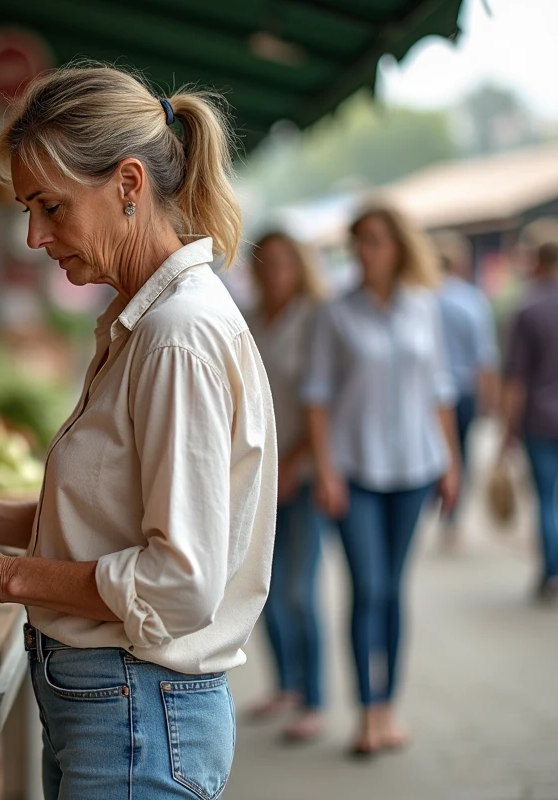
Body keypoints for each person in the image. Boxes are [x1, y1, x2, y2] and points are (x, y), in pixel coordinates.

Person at [0, 64, 277, 799]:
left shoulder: (176, 337)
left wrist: (2, 575)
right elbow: (118, 518)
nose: (34, 235)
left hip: (137, 713)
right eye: (28, 209)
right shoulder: (145, 321)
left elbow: (180, 583)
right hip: (119, 708)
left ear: (127, 184)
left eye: (51, 207)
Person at [303, 205, 461, 757]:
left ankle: (390, 706)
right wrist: (325, 471)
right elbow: (317, 398)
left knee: (394, 591)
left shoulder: (425, 308)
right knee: (367, 588)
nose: (364, 251)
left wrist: (452, 464)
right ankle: (367, 712)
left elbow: (440, 390)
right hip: (355, 472)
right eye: (358, 241)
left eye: (374, 240)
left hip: (416, 469)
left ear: (398, 246)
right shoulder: (335, 313)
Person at [244, 232, 328, 742]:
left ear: (299, 266)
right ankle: (286, 687)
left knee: (300, 590)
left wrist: (294, 463)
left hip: (301, 473)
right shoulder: (249, 319)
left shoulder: (316, 318)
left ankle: (314, 698)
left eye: (283, 263)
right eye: (266, 263)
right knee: (265, 590)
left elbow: (326, 403)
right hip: (258, 478)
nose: (274, 272)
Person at [433, 230, 499, 548]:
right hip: (464, 391)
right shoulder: (472, 300)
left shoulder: (422, 298)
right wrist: (488, 398)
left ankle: (438, 503)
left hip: (430, 396)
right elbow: (484, 357)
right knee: (460, 453)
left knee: (435, 452)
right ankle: (452, 515)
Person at [501, 241, 558, 602]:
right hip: (541, 417)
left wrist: (507, 428)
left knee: (545, 499)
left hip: (540, 418)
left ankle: (552, 572)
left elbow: (516, 378)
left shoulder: (528, 308)